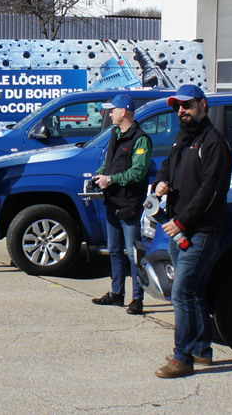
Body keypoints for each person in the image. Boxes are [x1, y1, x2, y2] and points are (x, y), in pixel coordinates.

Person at [151, 84, 232, 379]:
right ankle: (201, 351)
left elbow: (211, 192)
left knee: (182, 292)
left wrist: (182, 222)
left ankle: (182, 357)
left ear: (203, 105)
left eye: (187, 105)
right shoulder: (183, 140)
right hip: (179, 230)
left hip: (201, 231)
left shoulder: (214, 143)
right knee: (194, 292)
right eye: (178, 107)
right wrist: (160, 182)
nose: (181, 111)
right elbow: (167, 167)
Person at [90, 94, 152, 315]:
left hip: (129, 203)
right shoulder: (115, 134)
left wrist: (111, 180)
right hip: (112, 201)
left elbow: (138, 172)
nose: (110, 113)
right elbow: (109, 165)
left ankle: (137, 299)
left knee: (134, 254)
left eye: (113, 110)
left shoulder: (141, 139)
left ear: (123, 111)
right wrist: (99, 176)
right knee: (114, 250)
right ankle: (117, 294)